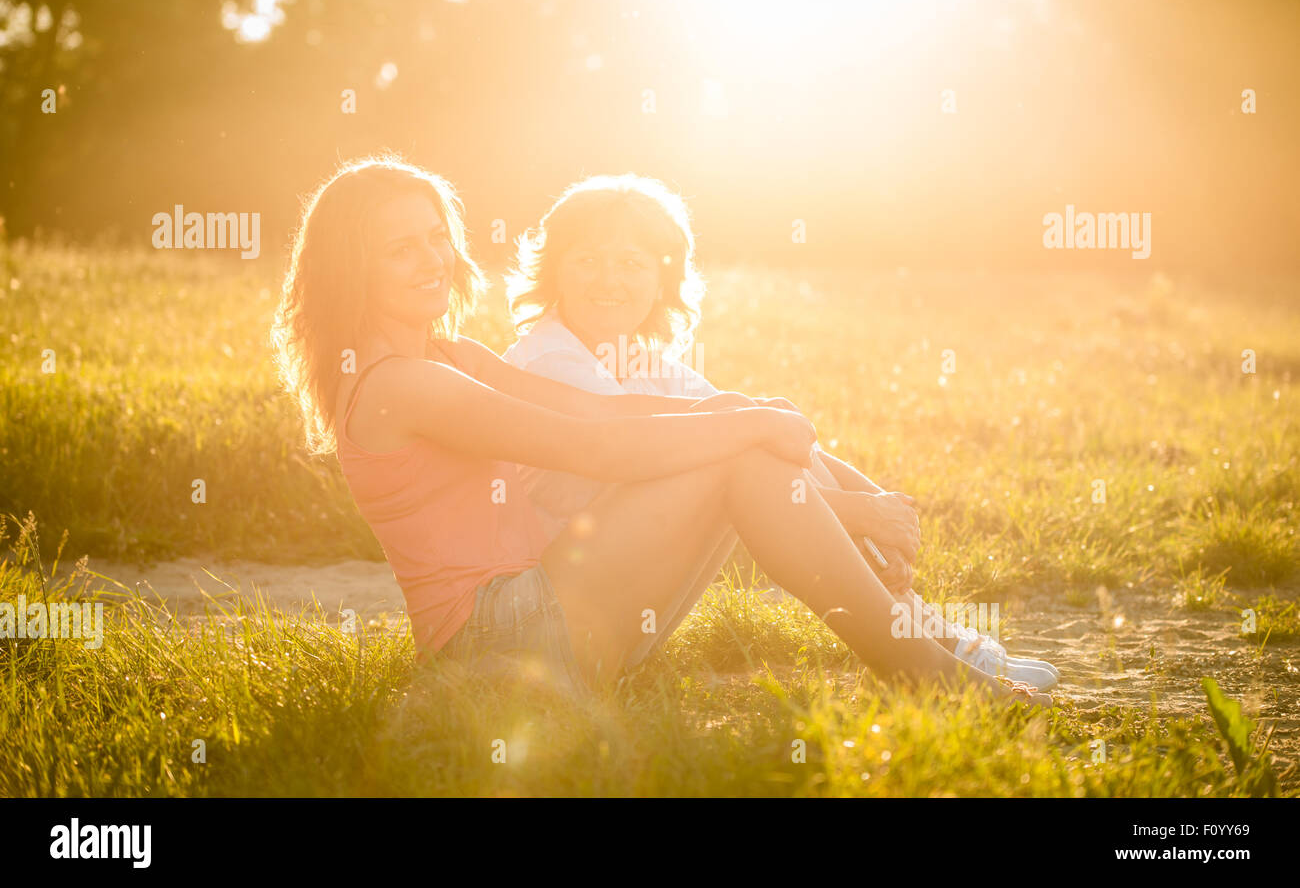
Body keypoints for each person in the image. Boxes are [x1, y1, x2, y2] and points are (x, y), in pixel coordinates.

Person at [270, 154, 1050, 708]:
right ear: (351, 267)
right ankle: (925, 669)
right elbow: (593, 447)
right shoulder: (402, 385)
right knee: (739, 455)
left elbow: (600, 412)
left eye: (436, 235)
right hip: (495, 646)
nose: (432, 258)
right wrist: (747, 425)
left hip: (550, 619)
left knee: (740, 447)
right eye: (400, 248)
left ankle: (921, 657)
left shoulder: (449, 353)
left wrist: (742, 415)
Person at [504, 173, 1058, 687]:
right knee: (740, 431)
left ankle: (924, 631)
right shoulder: (550, 359)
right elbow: (682, 458)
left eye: (631, 264)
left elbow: (774, 436)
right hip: (563, 614)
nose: (609, 280)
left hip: (626, 601)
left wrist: (879, 507)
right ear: (554, 269)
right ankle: (923, 660)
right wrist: (858, 514)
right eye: (588, 260)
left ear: (660, 280)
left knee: (755, 418)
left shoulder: (642, 360)